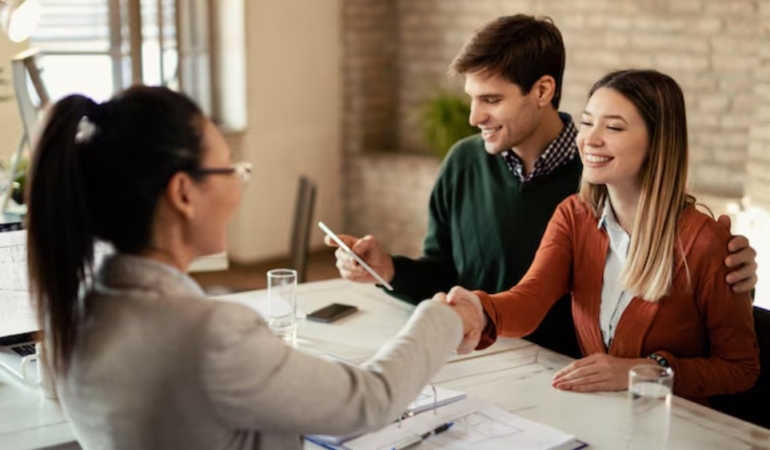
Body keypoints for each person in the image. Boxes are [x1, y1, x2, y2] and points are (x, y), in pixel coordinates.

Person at [26, 86, 484, 450]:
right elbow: (371, 400)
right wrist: (442, 317)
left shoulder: (73, 314)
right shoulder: (211, 335)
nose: (238, 186)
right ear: (184, 193)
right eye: (229, 169)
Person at [327, 14, 758, 359]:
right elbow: (457, 276)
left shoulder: (604, 179)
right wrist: (389, 270)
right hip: (481, 349)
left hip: (568, 367)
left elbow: (692, 304)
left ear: (542, 90)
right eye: (471, 98)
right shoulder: (464, 163)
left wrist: (732, 270)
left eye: (491, 99)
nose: (474, 116)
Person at [446, 69, 760, 405]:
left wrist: (644, 370)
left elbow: (740, 368)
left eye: (613, 127)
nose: (590, 139)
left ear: (657, 142)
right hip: (601, 415)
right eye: (586, 122)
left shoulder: (707, 243)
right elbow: (528, 301)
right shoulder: (574, 216)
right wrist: (477, 309)